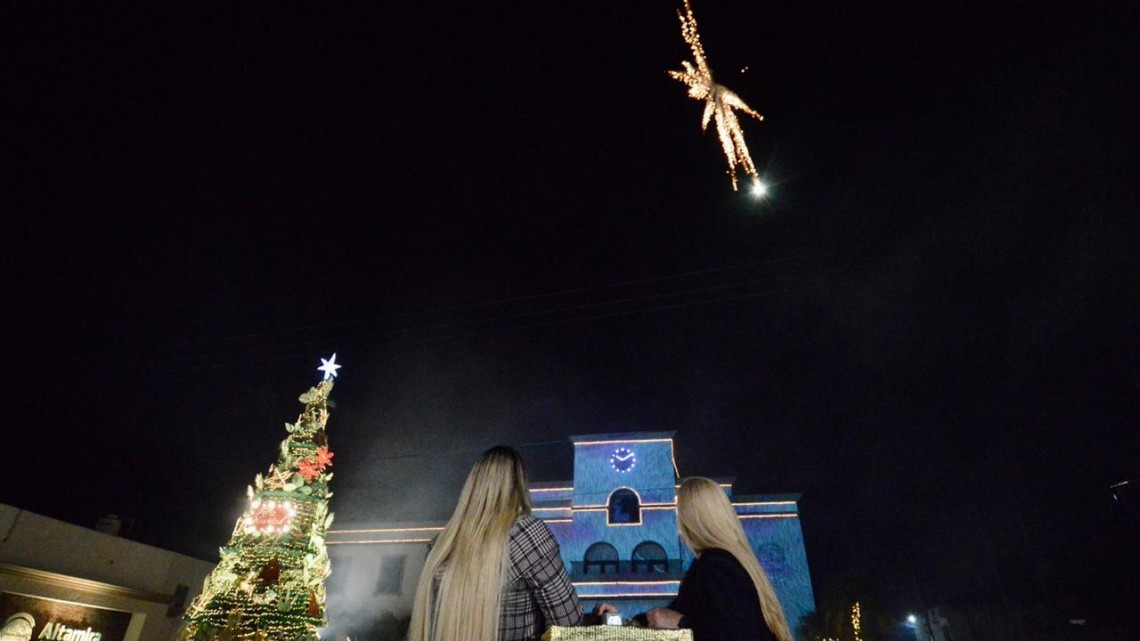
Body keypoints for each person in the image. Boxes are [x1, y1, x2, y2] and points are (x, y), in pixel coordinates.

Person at [408, 446, 610, 641]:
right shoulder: (528, 534)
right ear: (519, 485)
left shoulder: (441, 545)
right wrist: (599, 621)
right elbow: (568, 627)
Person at [643, 476, 794, 641]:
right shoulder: (718, 564)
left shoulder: (716, 567)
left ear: (690, 519)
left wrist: (681, 622)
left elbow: (736, 633)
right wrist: (624, 620)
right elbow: (675, 611)